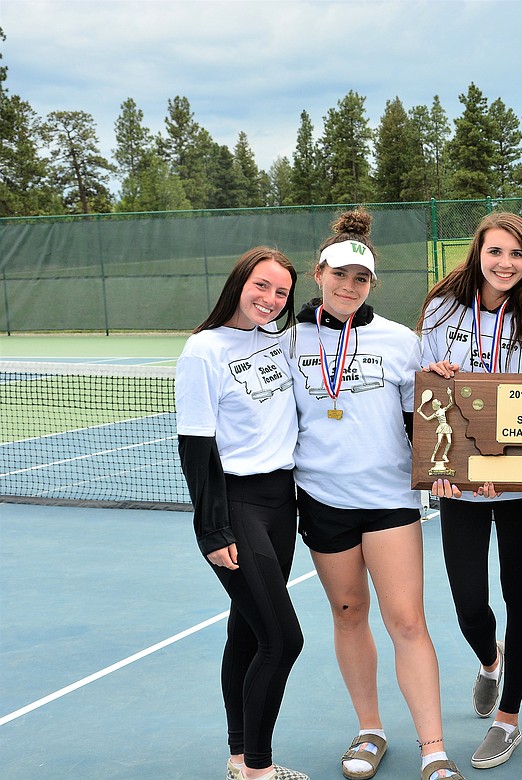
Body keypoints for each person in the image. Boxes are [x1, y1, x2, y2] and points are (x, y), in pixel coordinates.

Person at [285, 210, 464, 780]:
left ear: (371, 286)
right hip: (319, 499)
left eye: (360, 279)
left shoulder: (399, 341)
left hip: (388, 501)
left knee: (407, 620)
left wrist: (443, 397)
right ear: (319, 273)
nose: (348, 286)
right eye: (339, 274)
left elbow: (425, 424)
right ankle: (370, 730)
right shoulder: (288, 340)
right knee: (347, 612)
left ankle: (433, 750)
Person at [417, 212, 522, 770]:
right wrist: (437, 371)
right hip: (457, 479)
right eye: (495, 252)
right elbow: (425, 385)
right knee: (469, 601)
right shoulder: (440, 307)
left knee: (520, 592)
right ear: (478, 252)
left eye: (516, 254)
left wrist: (516, 466)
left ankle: (509, 718)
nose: (505, 263)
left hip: (518, 482)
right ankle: (489, 660)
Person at [175, 247, 308, 780]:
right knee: (283, 640)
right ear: (239, 283)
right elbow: (196, 447)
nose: (271, 299)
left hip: (283, 503)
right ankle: (258, 768)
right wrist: (213, 528)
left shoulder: (283, 337)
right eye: (262, 286)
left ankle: (238, 757)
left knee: (248, 634)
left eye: (280, 292)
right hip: (238, 505)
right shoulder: (202, 350)